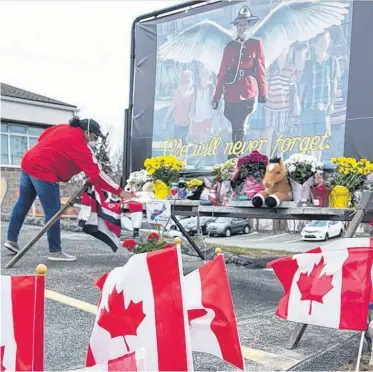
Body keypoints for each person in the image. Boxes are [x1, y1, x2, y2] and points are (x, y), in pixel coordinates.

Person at [3, 117, 131, 262]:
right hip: (44, 170)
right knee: (53, 211)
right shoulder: (79, 145)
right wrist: (120, 191)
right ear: (87, 132)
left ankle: (11, 240)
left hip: (28, 162)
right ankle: (55, 251)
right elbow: (97, 174)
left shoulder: (63, 127)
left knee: (22, 203)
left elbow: (42, 137)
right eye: (94, 137)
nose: (94, 141)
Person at [212, 5, 267, 146]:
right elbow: (222, 73)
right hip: (231, 93)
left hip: (248, 93)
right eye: (239, 24)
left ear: (249, 25)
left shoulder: (256, 43)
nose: (242, 27)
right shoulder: (229, 47)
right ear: (236, 26)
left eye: (245, 24)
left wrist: (263, 93)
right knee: (232, 125)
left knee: (241, 126)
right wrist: (216, 97)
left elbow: (261, 70)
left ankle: (237, 155)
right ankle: (234, 156)